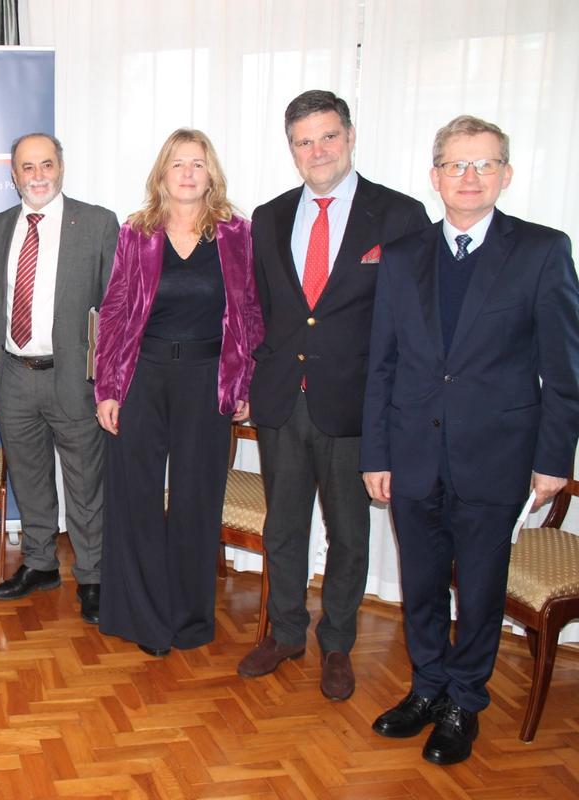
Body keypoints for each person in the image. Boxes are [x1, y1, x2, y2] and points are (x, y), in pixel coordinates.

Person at [362, 115, 579, 765]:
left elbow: (564, 369)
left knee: (480, 587)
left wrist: (552, 461)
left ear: (505, 175)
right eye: (456, 165)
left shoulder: (542, 250)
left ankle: (464, 701)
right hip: (412, 452)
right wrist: (376, 453)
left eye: (483, 165)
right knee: (422, 582)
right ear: (435, 177)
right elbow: (384, 362)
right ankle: (427, 687)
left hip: (498, 455)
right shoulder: (403, 257)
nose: (469, 177)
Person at [239, 90, 429, 699]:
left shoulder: (399, 216)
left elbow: (412, 323)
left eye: (327, 136)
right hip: (281, 402)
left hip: (356, 407)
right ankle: (286, 631)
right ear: (290, 149)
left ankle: (338, 643)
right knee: (284, 527)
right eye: (303, 141)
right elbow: (261, 311)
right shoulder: (267, 216)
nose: (317, 150)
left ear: (349, 136)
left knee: (350, 534)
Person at [93, 129, 263, 657]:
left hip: (207, 380)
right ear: (162, 173)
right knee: (134, 495)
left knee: (197, 497)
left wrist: (245, 381)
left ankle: (189, 618)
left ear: (211, 173)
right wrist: (108, 387)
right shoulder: (137, 232)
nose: (188, 173)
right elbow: (116, 313)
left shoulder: (238, 233)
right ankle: (142, 615)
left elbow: (252, 312)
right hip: (142, 375)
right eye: (177, 164)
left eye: (198, 163)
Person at [0, 133, 118, 624]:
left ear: (61, 166)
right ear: (13, 175)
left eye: (45, 164)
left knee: (85, 482)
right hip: (13, 375)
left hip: (73, 378)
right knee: (29, 478)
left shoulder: (97, 223)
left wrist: (110, 382)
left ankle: (92, 576)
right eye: (26, 167)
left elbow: (115, 307)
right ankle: (40, 563)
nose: (37, 175)